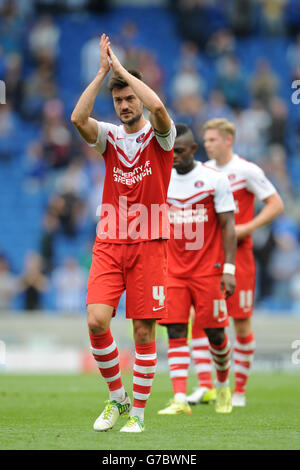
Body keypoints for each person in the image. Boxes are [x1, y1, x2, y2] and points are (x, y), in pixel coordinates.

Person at [71, 34, 176, 433]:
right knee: (97, 320)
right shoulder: (110, 137)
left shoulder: (161, 137)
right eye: (118, 100)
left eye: (129, 97)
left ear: (139, 97)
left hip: (150, 242)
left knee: (144, 330)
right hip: (111, 241)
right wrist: (102, 74)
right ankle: (118, 397)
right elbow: (78, 120)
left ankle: (140, 415)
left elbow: (161, 108)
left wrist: (123, 72)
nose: (125, 104)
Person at [188, 118, 284, 408]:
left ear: (228, 140)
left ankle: (238, 390)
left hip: (239, 257)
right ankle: (206, 386)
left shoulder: (246, 170)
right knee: (200, 320)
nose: (208, 145)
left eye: (213, 140)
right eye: (205, 141)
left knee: (240, 323)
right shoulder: (202, 172)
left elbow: (276, 204)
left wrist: (248, 227)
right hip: (209, 257)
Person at [157, 123, 237, 415]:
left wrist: (229, 268)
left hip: (209, 270)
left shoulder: (214, 179)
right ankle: (179, 398)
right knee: (176, 330)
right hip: (173, 272)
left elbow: (229, 225)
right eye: (170, 150)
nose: (174, 156)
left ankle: (223, 386)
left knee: (216, 334)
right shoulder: (161, 180)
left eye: (179, 151)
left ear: (193, 150)